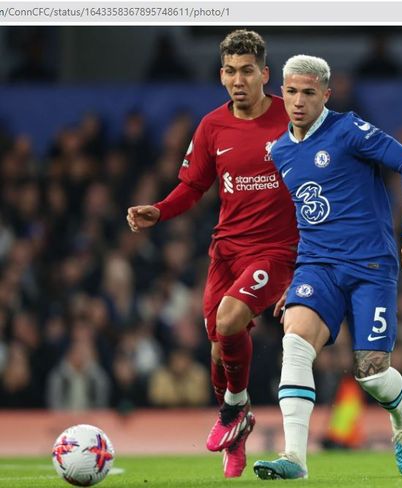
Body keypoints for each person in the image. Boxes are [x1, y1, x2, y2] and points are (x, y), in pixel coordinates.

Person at [126, 29, 298, 478]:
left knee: (228, 319)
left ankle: (235, 410)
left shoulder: (293, 118)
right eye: (230, 72)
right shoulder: (211, 126)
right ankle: (237, 432)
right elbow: (193, 186)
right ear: (221, 75)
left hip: (276, 251)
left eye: (247, 71)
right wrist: (159, 211)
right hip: (226, 251)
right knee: (219, 353)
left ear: (265, 74)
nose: (238, 80)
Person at [253, 55, 402, 480]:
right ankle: (294, 457)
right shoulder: (280, 151)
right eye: (291, 92)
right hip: (317, 265)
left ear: (325, 95)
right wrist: (290, 276)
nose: (298, 101)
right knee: (295, 342)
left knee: (371, 375)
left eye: (308, 93)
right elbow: (298, 215)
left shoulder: (348, 130)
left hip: (370, 264)